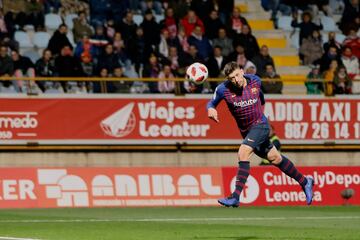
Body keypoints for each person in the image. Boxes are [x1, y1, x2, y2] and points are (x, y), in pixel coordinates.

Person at [207, 61, 314, 207]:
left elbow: (261, 97)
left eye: (237, 75)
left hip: (261, 126)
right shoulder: (222, 89)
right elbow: (211, 103)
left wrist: (261, 109)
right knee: (275, 158)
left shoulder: (255, 81)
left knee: (243, 152)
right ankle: (305, 181)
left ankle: (235, 196)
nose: (236, 80)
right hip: (246, 131)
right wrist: (211, 109)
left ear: (242, 71)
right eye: (231, 78)